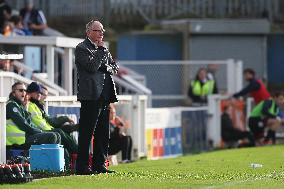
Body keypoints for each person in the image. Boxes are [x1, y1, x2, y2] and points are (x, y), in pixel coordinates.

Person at [75, 19, 119, 175]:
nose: (101, 33)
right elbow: (92, 67)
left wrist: (104, 64)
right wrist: (100, 52)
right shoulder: (81, 48)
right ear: (88, 32)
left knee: (102, 134)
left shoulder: (104, 50)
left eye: (102, 31)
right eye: (98, 30)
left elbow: (114, 68)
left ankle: (99, 165)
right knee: (87, 133)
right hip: (91, 96)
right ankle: (81, 167)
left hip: (105, 96)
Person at [26, 82, 78, 163]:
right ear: (30, 93)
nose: (39, 95)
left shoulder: (37, 106)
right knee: (59, 132)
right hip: (38, 133)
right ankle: (78, 152)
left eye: (40, 93)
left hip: (45, 130)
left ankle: (72, 160)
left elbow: (50, 121)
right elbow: (38, 123)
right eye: (37, 92)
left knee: (65, 132)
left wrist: (64, 119)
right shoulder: (29, 105)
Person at [6, 82, 61, 149]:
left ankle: (60, 158)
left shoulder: (19, 105)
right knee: (53, 136)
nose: (23, 92)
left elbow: (29, 122)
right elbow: (23, 124)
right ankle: (46, 159)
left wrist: (25, 108)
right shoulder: (11, 105)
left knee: (57, 135)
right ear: (13, 93)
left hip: (25, 137)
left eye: (25, 90)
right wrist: (39, 131)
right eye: (21, 90)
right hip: (19, 140)